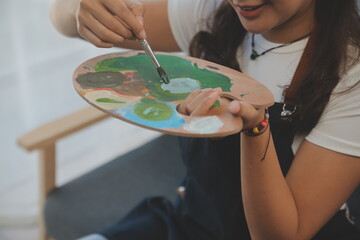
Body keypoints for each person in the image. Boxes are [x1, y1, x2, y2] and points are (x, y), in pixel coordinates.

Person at [50, 0, 360, 239]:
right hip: (192, 224)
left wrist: (255, 129)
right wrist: (80, 9)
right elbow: (61, 17)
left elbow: (281, 235)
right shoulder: (210, 12)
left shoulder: (352, 75)